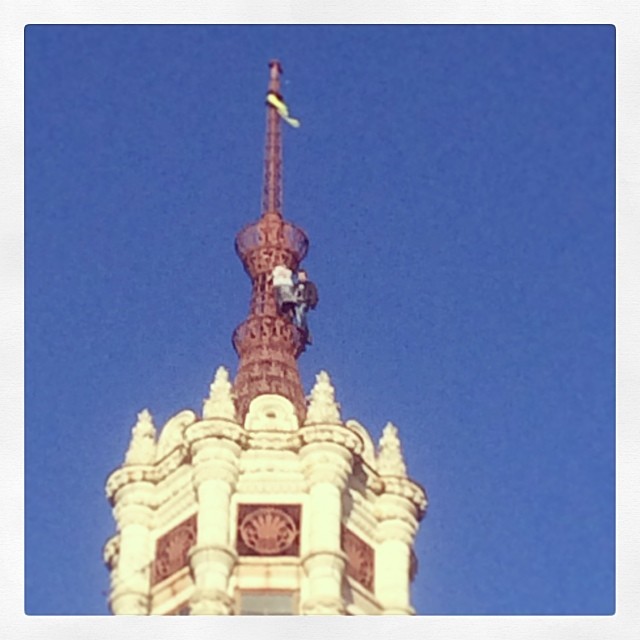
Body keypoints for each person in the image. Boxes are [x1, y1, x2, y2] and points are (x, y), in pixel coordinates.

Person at [293, 269, 318, 344]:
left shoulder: (310, 285)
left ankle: (301, 327)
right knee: (298, 313)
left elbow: (314, 294)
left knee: (301, 311)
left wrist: (312, 302)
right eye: (299, 276)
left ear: (305, 276)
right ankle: (304, 331)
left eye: (302, 275)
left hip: (305, 301)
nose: (300, 277)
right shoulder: (296, 285)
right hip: (297, 302)